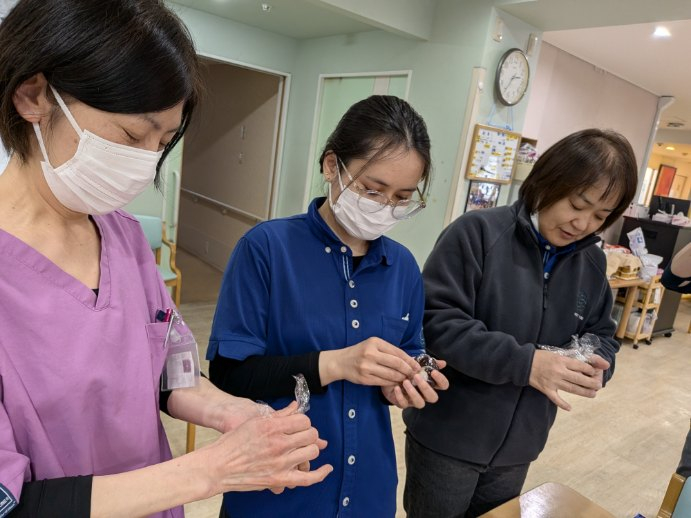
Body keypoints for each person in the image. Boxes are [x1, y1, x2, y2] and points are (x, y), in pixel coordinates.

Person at [0, 1, 331, 517]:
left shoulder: (124, 237)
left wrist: (233, 412)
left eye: (164, 142)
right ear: (33, 96)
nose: (146, 161)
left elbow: (165, 372)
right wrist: (212, 470)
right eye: (133, 135)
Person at [207, 95, 449, 517]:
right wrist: (334, 364)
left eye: (401, 197)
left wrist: (407, 381)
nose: (385, 207)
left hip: (368, 488)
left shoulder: (403, 268)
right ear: (332, 165)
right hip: (277, 489)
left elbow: (411, 350)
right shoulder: (267, 249)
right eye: (372, 190)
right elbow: (230, 376)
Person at [403, 129, 638, 517]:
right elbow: (436, 322)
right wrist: (526, 364)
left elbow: (602, 334)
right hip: (449, 437)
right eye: (577, 204)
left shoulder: (592, 263)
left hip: (520, 446)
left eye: (600, 216)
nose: (582, 223)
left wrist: (599, 366)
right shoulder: (477, 233)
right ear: (548, 181)